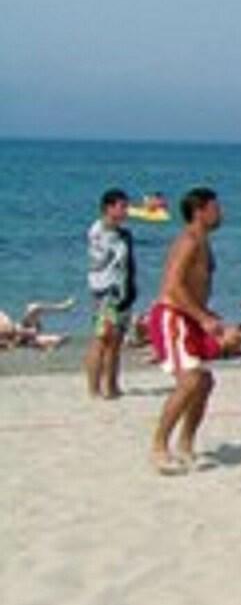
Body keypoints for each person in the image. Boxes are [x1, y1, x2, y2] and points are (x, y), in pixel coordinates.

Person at [145, 187, 227, 475]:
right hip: (172, 316)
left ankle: (186, 443)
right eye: (215, 208)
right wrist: (201, 318)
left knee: (204, 382)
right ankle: (159, 446)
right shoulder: (189, 241)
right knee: (191, 380)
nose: (221, 212)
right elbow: (173, 286)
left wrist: (208, 316)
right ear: (199, 211)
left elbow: (197, 288)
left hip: (190, 317)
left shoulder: (204, 242)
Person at [85, 187, 137, 398]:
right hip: (105, 291)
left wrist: (131, 288)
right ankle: (94, 388)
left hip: (121, 291)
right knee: (102, 338)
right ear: (109, 208)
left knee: (116, 340)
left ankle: (112, 386)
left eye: (126, 206)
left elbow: (128, 264)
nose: (126, 211)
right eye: (122, 206)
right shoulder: (99, 231)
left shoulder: (124, 234)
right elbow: (102, 263)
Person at [2, 298, 75, 350]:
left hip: (22, 328)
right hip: (21, 337)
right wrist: (26, 333)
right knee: (34, 308)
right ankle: (53, 343)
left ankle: (63, 308)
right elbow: (8, 339)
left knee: (34, 307)